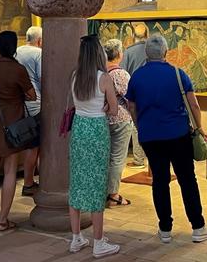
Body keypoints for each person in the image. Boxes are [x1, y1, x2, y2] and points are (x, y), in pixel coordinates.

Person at [126, 34, 207, 244]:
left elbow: (132, 106)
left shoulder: (137, 77)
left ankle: (165, 228)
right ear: (165, 52)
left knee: (160, 180)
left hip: (150, 136)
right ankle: (198, 226)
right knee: (187, 179)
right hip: (178, 134)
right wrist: (199, 127)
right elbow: (194, 104)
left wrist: (141, 126)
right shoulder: (177, 73)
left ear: (147, 53)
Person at [0, 31, 36, 235]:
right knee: (10, 169)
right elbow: (32, 94)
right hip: (13, 120)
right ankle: (2, 221)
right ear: (13, 48)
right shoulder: (18, 70)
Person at [68, 35, 121, 258]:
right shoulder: (104, 78)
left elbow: (75, 103)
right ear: (99, 54)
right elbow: (114, 109)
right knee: (97, 184)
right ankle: (99, 242)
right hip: (97, 130)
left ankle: (76, 238)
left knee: (77, 181)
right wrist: (106, 105)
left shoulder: (74, 76)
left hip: (79, 129)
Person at [104, 39, 133, 207]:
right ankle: (113, 194)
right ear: (119, 54)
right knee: (117, 158)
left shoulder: (100, 72)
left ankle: (103, 191)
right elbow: (130, 98)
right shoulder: (120, 74)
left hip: (103, 118)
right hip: (120, 119)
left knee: (106, 157)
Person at [16, 25, 42, 197]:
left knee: (31, 145)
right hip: (36, 104)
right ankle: (28, 182)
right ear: (40, 41)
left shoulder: (16, 52)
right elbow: (43, 78)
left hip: (19, 104)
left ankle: (35, 180)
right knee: (35, 146)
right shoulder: (38, 54)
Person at [121, 23, 149, 169]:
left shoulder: (129, 52)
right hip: (152, 91)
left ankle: (138, 159)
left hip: (135, 92)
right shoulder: (151, 50)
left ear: (133, 36)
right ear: (147, 35)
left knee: (136, 125)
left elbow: (123, 73)